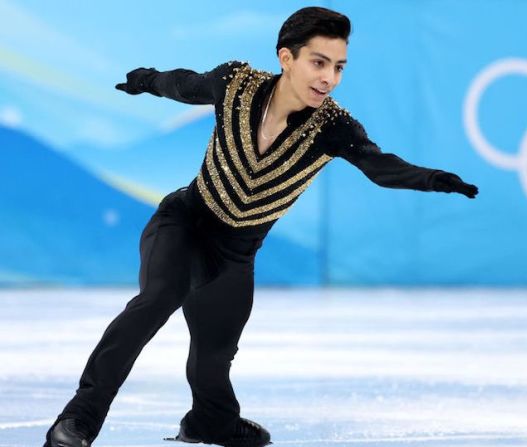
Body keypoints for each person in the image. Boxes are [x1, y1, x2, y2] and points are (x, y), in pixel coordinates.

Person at [44, 6, 478, 447]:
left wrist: (430, 179)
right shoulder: (237, 84)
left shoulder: (334, 126)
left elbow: (378, 165)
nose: (329, 77)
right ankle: (77, 420)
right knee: (157, 300)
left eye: (339, 67)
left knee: (214, 359)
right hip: (185, 224)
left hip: (236, 254)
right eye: (319, 62)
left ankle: (209, 422)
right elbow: (186, 84)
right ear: (286, 58)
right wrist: (147, 80)